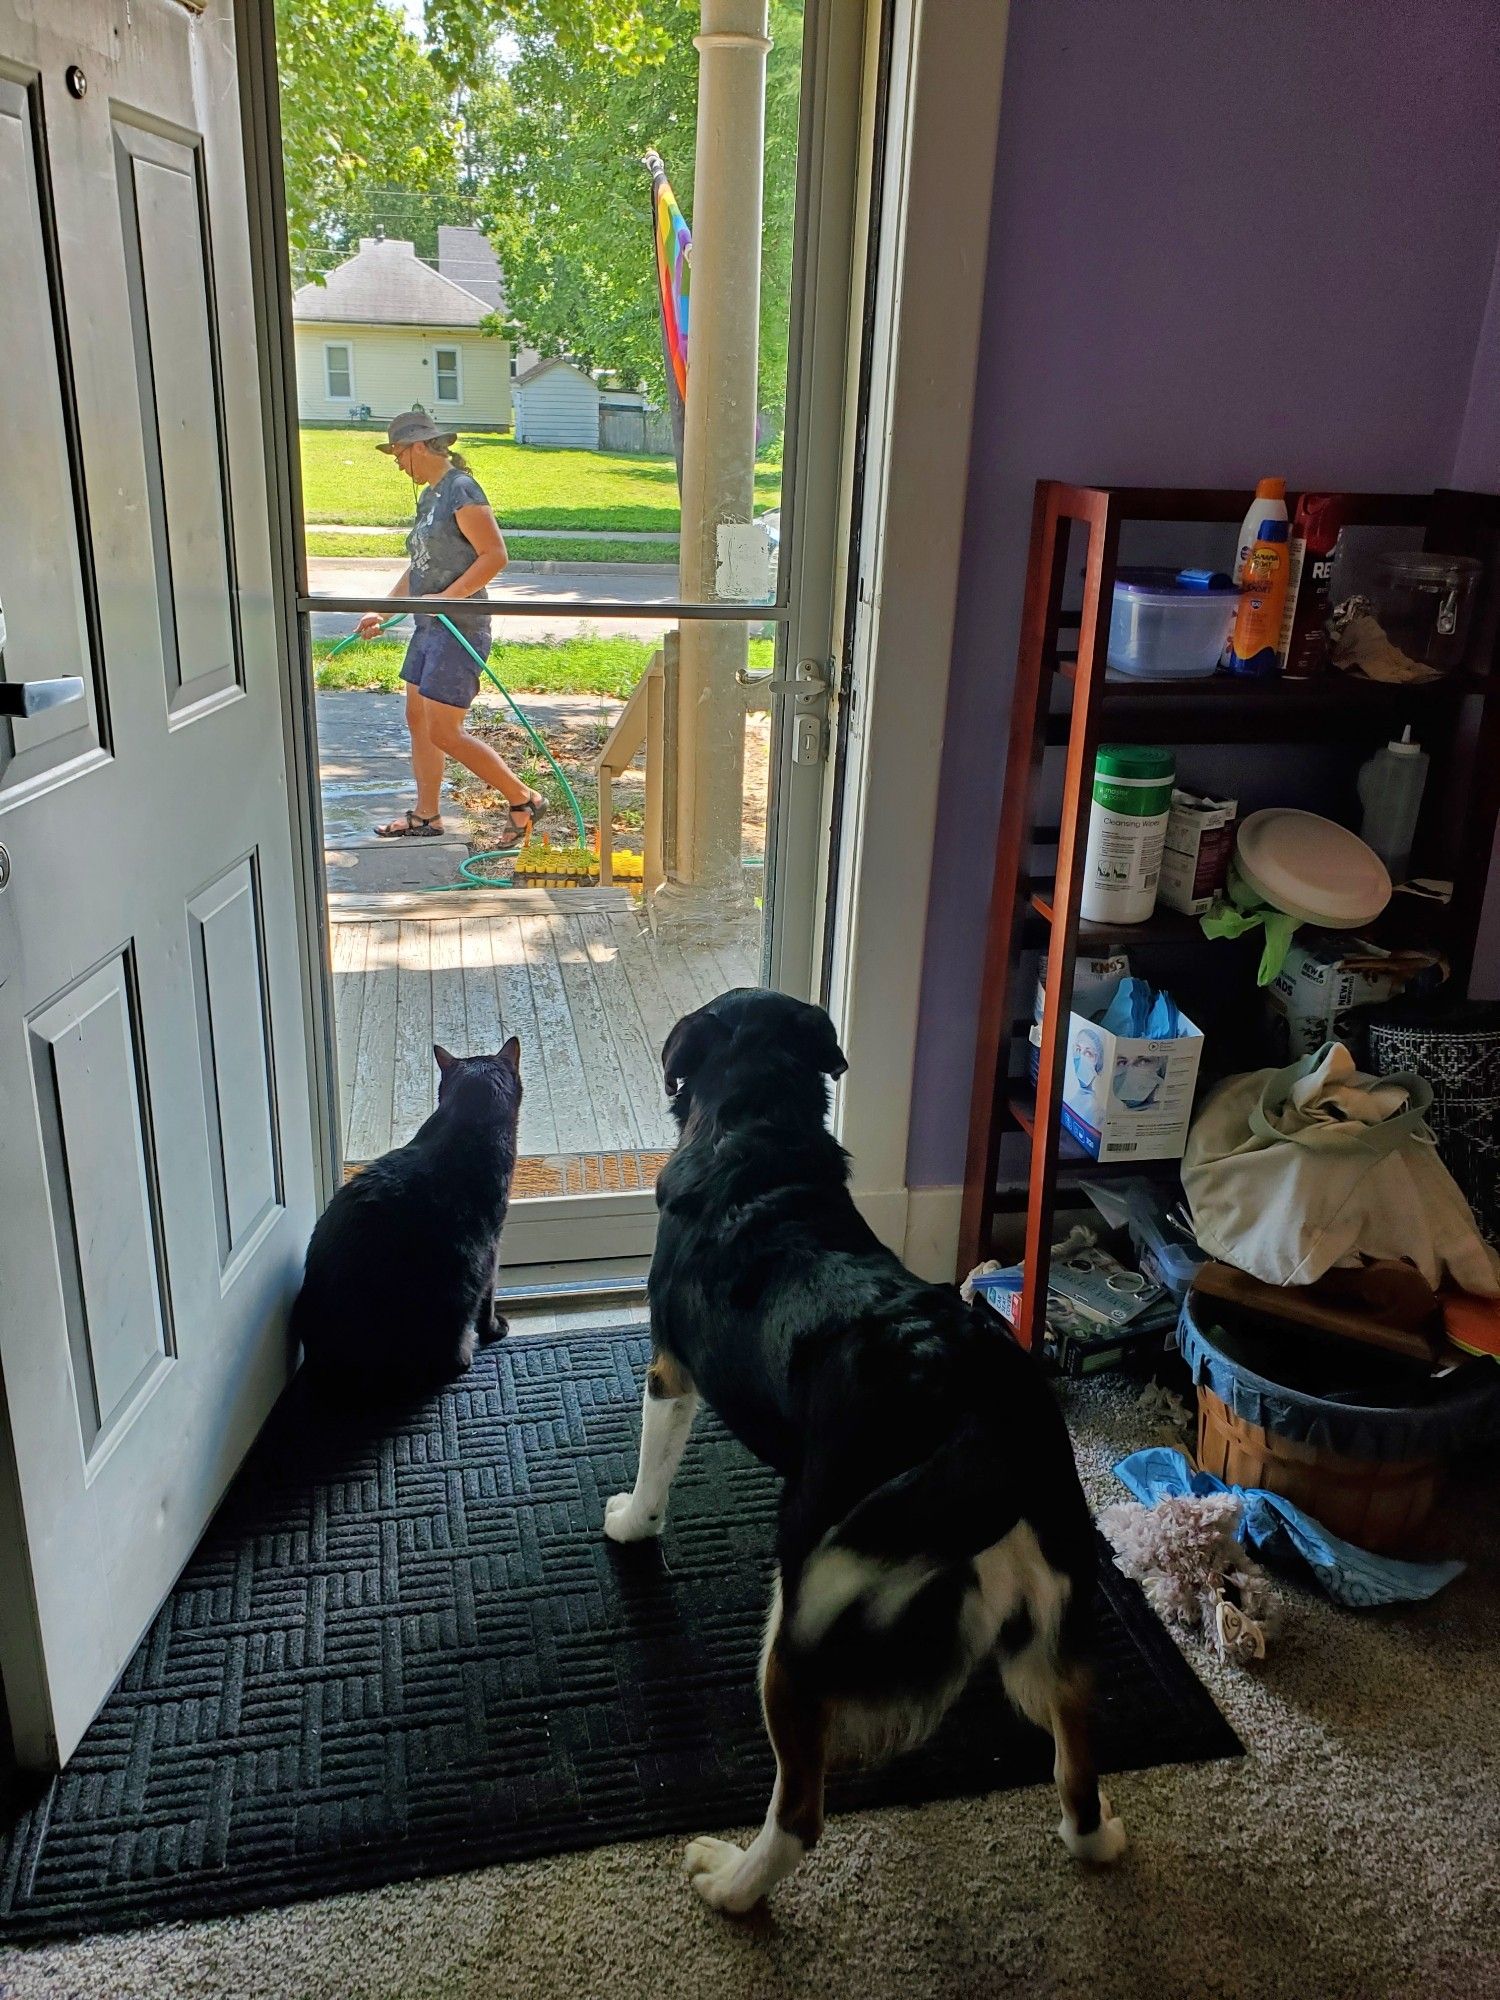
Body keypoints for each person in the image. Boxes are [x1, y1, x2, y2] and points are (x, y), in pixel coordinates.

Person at [362, 410, 546, 848]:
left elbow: (494, 556)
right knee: (417, 719)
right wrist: (383, 612)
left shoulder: (461, 490)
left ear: (420, 446)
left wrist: (451, 597)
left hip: (458, 628)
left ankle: (524, 798)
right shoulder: (431, 497)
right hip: (429, 626)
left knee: (444, 730)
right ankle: (426, 816)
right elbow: (420, 568)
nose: (397, 463)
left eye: (398, 453)